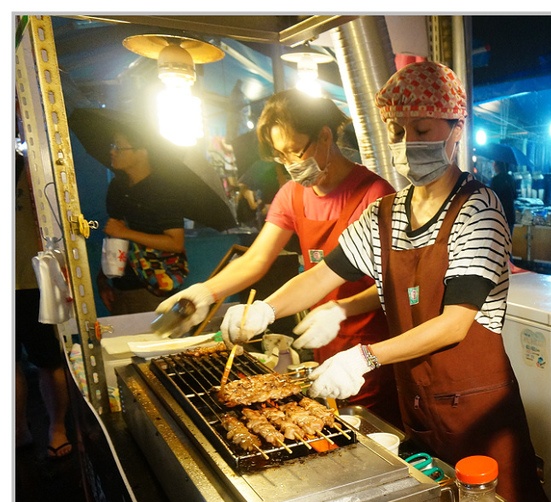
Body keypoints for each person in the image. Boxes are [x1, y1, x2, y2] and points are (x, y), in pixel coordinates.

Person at [219, 61, 551, 502]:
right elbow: (323, 276)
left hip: (477, 414)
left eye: (421, 128)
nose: (406, 142)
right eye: (396, 129)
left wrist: (365, 356)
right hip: (418, 405)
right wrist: (265, 311)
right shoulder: (386, 212)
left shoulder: (479, 208)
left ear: (456, 130)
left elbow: (454, 324)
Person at [157, 89, 402, 427]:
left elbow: (394, 284)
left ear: (325, 136)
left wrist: (340, 309)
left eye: (294, 151)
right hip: (319, 335)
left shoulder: (375, 194)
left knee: (374, 432)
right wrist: (205, 293)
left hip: (370, 344)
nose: (290, 164)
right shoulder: (292, 194)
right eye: (280, 155)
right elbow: (256, 259)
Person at [15, 151, 72, 459]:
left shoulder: (31, 170)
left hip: (33, 281)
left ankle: (58, 427)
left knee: (48, 361)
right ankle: (18, 429)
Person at [96, 128, 188, 315]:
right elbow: (114, 235)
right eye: (112, 146)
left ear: (142, 152)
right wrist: (103, 278)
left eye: (119, 147)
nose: (112, 152)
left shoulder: (162, 190)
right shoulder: (117, 187)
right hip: (120, 286)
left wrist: (125, 232)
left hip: (152, 288)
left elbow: (175, 243)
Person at [490, 159, 518, 230]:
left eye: (494, 165)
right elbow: (515, 196)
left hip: (498, 214)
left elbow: (491, 197)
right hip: (510, 215)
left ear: (497, 166)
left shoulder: (495, 180)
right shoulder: (510, 178)